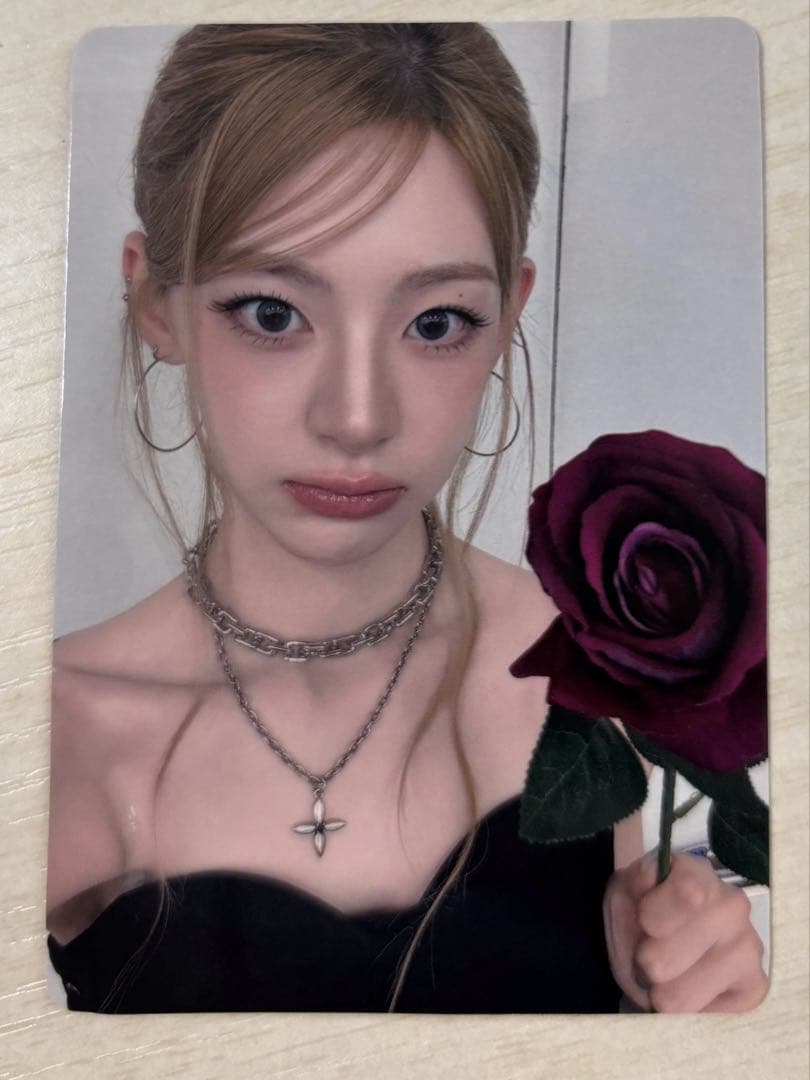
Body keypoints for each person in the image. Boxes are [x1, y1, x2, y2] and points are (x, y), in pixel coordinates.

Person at [46, 22, 768, 1014]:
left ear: (507, 314)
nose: (358, 417)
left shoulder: (591, 677)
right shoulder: (60, 736)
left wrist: (687, 1016)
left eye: (436, 322)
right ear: (156, 301)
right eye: (271, 312)